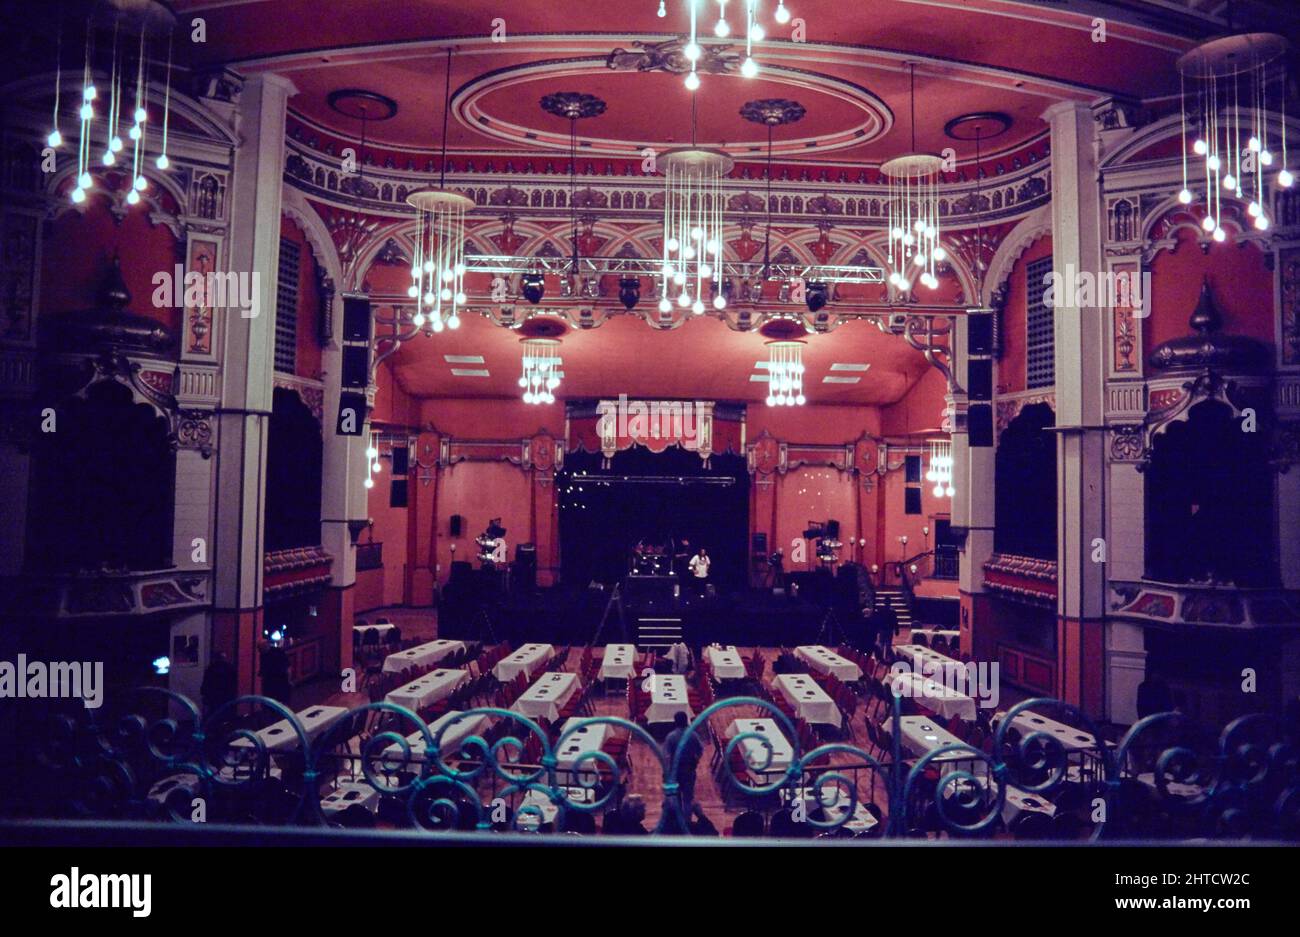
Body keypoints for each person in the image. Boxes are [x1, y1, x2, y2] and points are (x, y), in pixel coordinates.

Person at [663, 711, 704, 812]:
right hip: (689, 770)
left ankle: (677, 822)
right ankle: (687, 823)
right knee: (688, 799)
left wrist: (666, 773)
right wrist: (695, 761)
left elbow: (667, 756)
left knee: (675, 799)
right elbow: (700, 750)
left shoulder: (670, 737)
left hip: (675, 771)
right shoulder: (693, 736)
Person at [200, 652, 237, 718]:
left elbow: (206, 682)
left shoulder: (211, 668)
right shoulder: (230, 668)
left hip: (213, 695)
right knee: (225, 713)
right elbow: (233, 683)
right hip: (226, 695)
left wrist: (204, 693)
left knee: (214, 713)